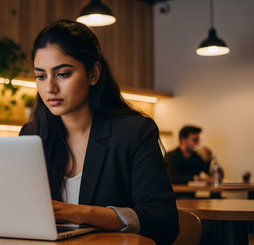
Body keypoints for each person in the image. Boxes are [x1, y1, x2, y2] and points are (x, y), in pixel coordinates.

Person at [19, 20, 178, 244]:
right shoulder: (31, 135)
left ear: (93, 74)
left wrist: (80, 213)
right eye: (41, 76)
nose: (50, 88)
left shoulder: (134, 132)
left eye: (62, 74)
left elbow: (164, 220)